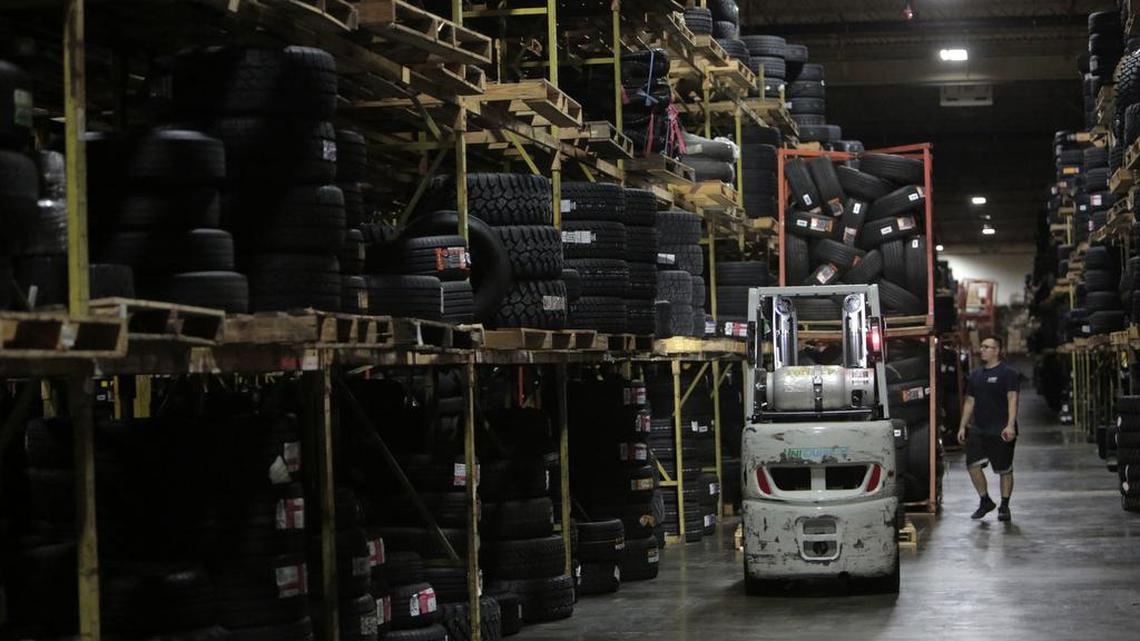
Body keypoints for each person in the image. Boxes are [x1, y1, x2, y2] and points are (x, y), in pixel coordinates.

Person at [957, 335, 1020, 522]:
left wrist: (1010, 424)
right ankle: (985, 501)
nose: (982, 349)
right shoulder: (975, 375)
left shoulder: (1008, 374)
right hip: (979, 429)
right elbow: (969, 402)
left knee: (1004, 469)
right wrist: (962, 426)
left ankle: (1005, 506)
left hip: (1000, 430)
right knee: (972, 465)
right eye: (982, 346)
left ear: (997, 351)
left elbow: (1012, 399)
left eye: (987, 347)